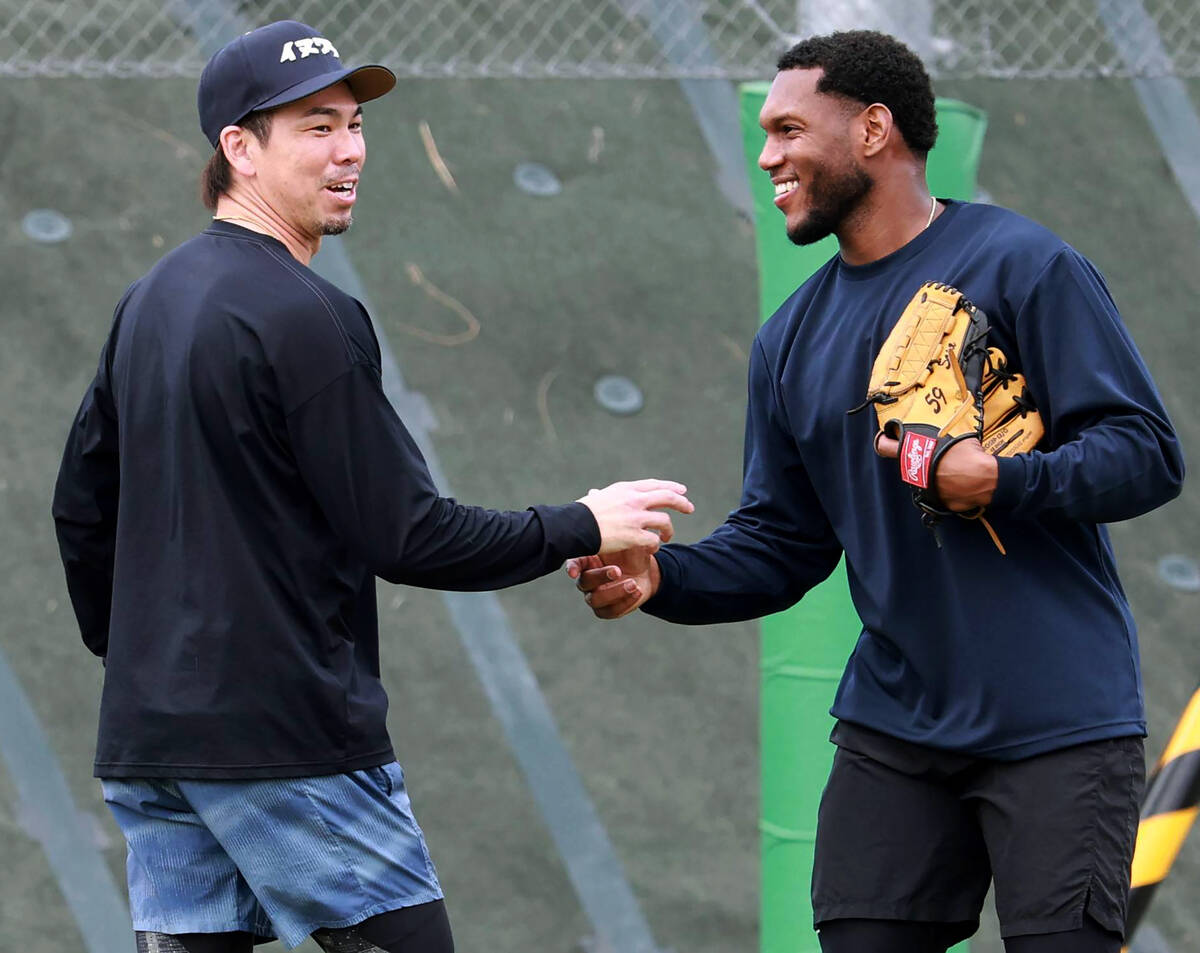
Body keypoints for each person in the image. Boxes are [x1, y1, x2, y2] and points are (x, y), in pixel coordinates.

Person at [51, 20, 692, 953]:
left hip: (155, 741)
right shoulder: (307, 313)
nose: (350, 148)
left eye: (354, 123)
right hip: (286, 743)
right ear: (239, 147)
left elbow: (81, 507)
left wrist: (146, 659)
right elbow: (410, 534)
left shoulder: (150, 299)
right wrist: (583, 521)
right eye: (315, 126)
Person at [568, 29, 1184, 953]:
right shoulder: (789, 340)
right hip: (896, 726)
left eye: (788, 128)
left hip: (1058, 718)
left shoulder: (1025, 264)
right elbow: (783, 543)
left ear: (872, 130)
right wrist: (663, 580)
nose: (767, 153)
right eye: (764, 133)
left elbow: (1147, 452)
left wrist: (1006, 480)